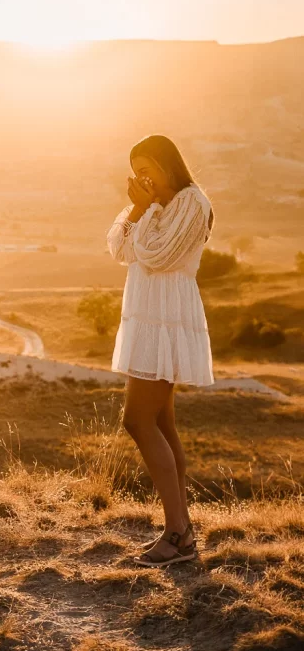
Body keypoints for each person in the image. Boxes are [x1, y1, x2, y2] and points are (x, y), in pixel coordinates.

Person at [107, 135, 214, 567]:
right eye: (137, 170)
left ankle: (178, 531)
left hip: (167, 319)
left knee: (137, 419)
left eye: (149, 167)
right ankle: (181, 529)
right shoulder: (151, 206)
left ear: (170, 164)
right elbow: (117, 247)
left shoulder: (192, 202)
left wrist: (144, 212)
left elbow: (155, 253)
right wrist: (136, 209)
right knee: (162, 422)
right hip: (147, 316)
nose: (143, 177)